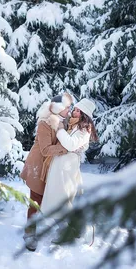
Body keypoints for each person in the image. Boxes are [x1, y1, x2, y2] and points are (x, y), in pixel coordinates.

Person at [20, 92, 73, 251]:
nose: (69, 111)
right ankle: (30, 233)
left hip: (51, 166)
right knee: (36, 200)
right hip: (38, 165)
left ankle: (63, 226)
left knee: (54, 195)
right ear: (58, 108)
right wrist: (65, 149)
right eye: (67, 108)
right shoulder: (45, 123)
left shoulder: (63, 121)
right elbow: (44, 149)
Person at [40, 98, 98, 239]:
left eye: (79, 111)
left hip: (67, 166)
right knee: (55, 198)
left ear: (85, 115)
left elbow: (70, 145)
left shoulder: (84, 129)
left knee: (62, 199)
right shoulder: (72, 125)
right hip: (60, 165)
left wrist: (59, 129)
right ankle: (68, 229)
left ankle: (74, 229)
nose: (75, 112)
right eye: (75, 109)